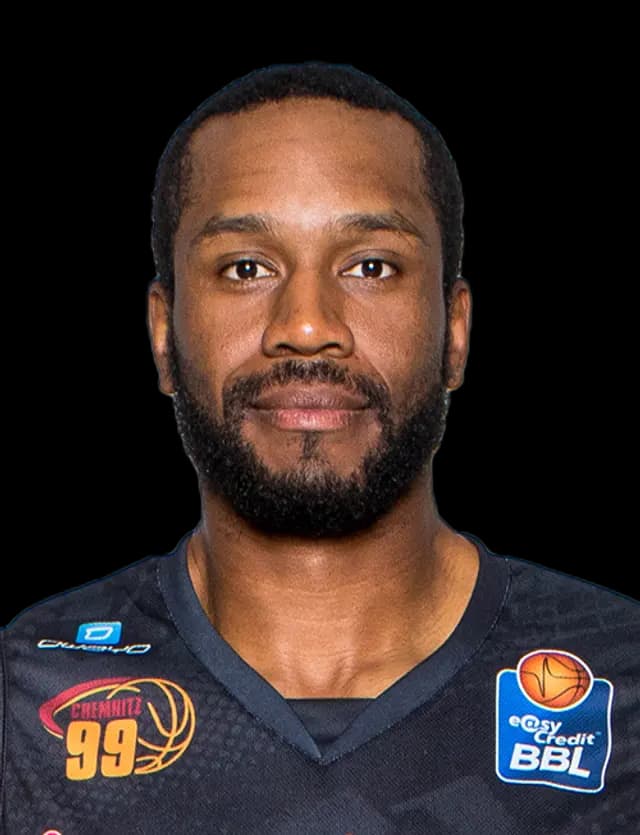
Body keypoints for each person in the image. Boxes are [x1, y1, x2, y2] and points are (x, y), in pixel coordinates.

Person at [1, 61, 637, 835]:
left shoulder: (624, 684)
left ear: (455, 330)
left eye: (371, 266)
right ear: (164, 335)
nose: (306, 325)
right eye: (246, 268)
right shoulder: (22, 702)